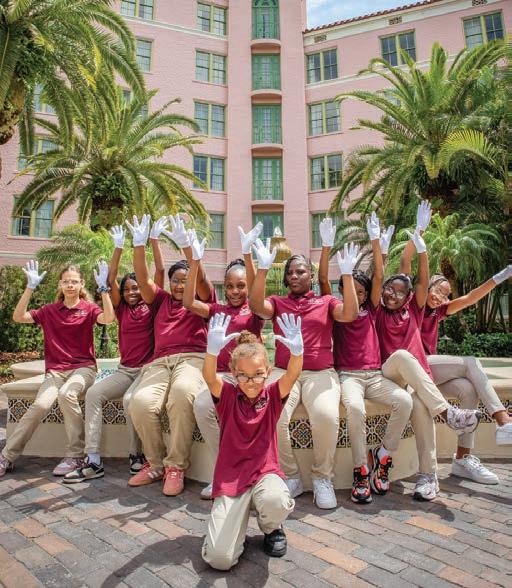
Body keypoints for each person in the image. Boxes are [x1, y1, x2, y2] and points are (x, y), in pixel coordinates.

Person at [375, 208, 483, 500]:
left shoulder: (415, 309)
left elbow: (422, 281)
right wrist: (415, 235)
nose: (393, 295)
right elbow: (395, 268)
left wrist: (423, 252)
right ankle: (449, 414)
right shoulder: (377, 311)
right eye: (389, 290)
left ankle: (428, 475)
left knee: (421, 406)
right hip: (390, 373)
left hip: (413, 379)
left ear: (409, 297)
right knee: (403, 356)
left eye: (401, 292)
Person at [249, 238, 359, 509]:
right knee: (272, 414)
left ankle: (322, 477)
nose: (294, 276)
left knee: (326, 416)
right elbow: (256, 306)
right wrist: (262, 269)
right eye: (290, 273)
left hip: (319, 373)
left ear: (311, 276)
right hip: (284, 371)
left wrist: (346, 275)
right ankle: (290, 476)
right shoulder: (278, 302)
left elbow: (350, 314)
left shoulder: (326, 301)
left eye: (300, 271)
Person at [400, 233, 512, 484]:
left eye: (445, 295)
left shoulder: (438, 312)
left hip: (429, 373)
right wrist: (417, 238)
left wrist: (500, 277)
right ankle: (502, 418)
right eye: (438, 291)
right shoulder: (413, 305)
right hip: (414, 369)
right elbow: (405, 266)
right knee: (470, 362)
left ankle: (462, 459)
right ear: (428, 286)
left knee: (468, 389)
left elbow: (470, 298)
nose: (441, 298)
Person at [62, 220, 168, 483]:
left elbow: (159, 272)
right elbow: (110, 281)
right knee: (94, 394)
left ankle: (136, 454)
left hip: (147, 370)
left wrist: (153, 240)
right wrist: (118, 247)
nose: (132, 292)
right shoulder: (121, 309)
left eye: (136, 287)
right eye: (127, 288)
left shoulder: (153, 305)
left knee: (130, 400)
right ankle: (93, 459)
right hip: (124, 370)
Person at [318, 214, 413, 504]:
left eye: (361, 292)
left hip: (375, 375)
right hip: (348, 376)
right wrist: (326, 246)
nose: (357, 295)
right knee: (356, 410)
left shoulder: (371, 308)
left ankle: (382, 455)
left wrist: (375, 242)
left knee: (404, 401)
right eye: (352, 290)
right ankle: (361, 470)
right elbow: (322, 280)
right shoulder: (335, 308)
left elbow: (380, 277)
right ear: (343, 290)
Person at [201, 313, 302, 570]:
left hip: (264, 474)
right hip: (232, 479)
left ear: (268, 372)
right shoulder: (227, 395)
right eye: (243, 375)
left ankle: (272, 527)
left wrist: (297, 353)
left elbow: (292, 375)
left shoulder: (272, 396)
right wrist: (211, 352)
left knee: (276, 500)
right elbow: (210, 378)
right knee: (219, 560)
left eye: (258, 374)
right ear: (233, 374)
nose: (251, 382)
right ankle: (233, 528)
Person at [125, 214, 215, 496]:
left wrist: (188, 248)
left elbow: (202, 279)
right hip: (159, 363)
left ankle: (176, 466)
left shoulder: (203, 300)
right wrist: (140, 244)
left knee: (182, 394)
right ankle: (155, 464)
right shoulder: (161, 300)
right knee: (140, 403)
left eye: (185, 281)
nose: (179, 286)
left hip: (192, 359)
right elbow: (143, 279)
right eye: (175, 281)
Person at [0, 260, 115, 478]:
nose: (70, 285)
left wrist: (104, 289)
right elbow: (18, 317)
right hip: (55, 372)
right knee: (40, 405)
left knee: (67, 394)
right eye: (66, 282)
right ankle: (7, 456)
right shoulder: (49, 311)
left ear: (81, 284)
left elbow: (109, 318)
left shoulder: (89, 309)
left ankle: (75, 455)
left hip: (83, 368)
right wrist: (30, 287)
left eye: (75, 281)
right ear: (60, 285)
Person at [183, 223, 265, 500]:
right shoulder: (217, 310)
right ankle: (225, 469)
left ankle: (247, 471)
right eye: (229, 286)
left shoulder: (255, 310)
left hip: (248, 378)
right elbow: (188, 302)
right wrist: (195, 261)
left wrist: (248, 254)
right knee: (202, 405)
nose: (234, 291)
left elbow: (256, 291)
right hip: (221, 378)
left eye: (240, 286)